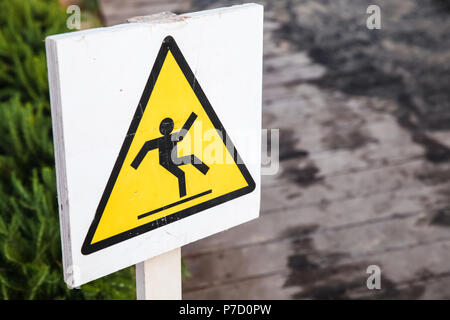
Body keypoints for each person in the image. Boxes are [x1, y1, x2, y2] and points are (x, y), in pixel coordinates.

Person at [131, 112, 209, 197]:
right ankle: (183, 196)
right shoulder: (160, 140)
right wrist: (134, 165)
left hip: (175, 159)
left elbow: (182, 134)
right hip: (166, 162)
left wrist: (193, 116)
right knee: (181, 174)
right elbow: (146, 147)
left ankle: (208, 173)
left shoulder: (173, 136)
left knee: (192, 158)